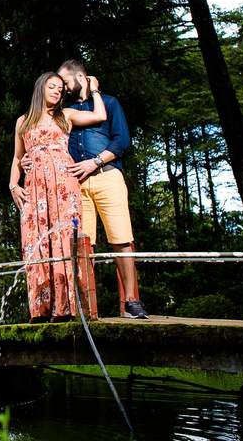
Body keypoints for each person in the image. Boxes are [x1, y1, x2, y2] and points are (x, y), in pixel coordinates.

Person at [9, 71, 107, 320]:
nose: (57, 91)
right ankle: (40, 309)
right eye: (52, 87)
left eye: (61, 89)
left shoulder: (66, 116)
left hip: (64, 185)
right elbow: (18, 158)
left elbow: (100, 115)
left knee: (64, 238)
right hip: (35, 187)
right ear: (40, 87)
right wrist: (13, 185)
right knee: (37, 240)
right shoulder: (24, 121)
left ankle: (65, 307)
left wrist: (93, 89)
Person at [57, 58, 149, 319]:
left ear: (80, 77)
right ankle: (86, 306)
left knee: (121, 239)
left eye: (65, 82)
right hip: (78, 183)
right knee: (84, 245)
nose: (63, 88)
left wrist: (95, 162)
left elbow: (122, 140)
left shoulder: (109, 103)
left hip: (108, 176)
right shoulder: (66, 111)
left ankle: (131, 302)